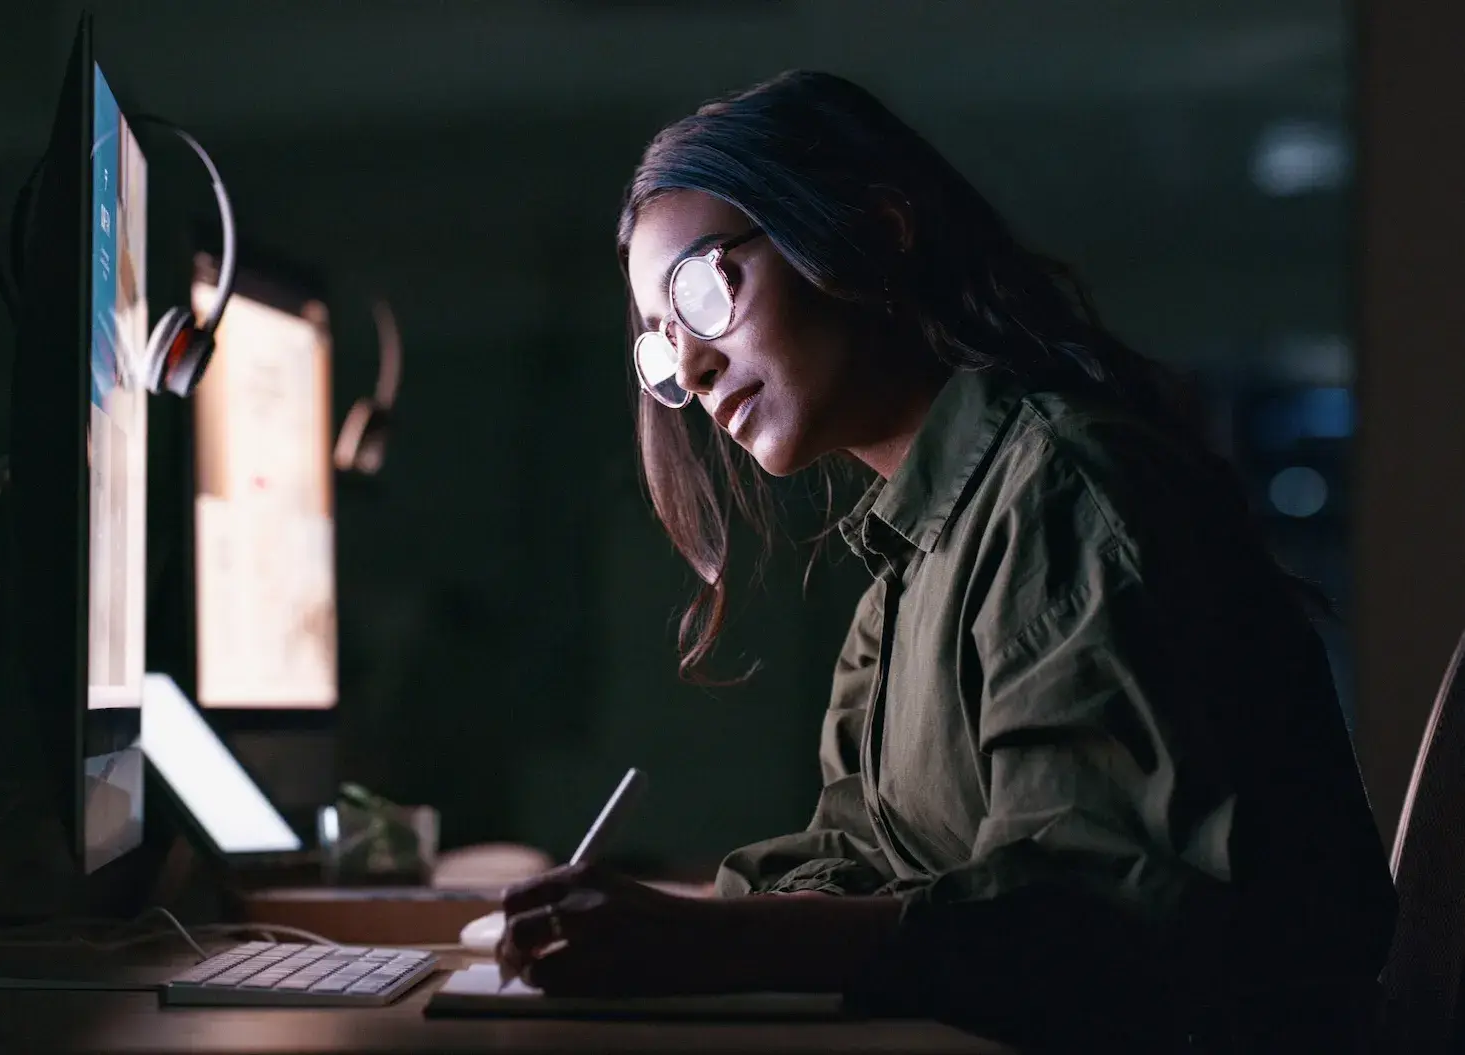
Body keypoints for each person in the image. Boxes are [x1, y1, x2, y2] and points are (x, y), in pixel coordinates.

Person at [496, 71, 1396, 1053]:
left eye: (704, 290)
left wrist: (709, 938)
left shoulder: (1062, 491)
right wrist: (674, 916)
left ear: (878, 231)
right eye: (662, 345)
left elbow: (1093, 923)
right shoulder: (909, 559)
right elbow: (862, 861)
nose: (695, 365)